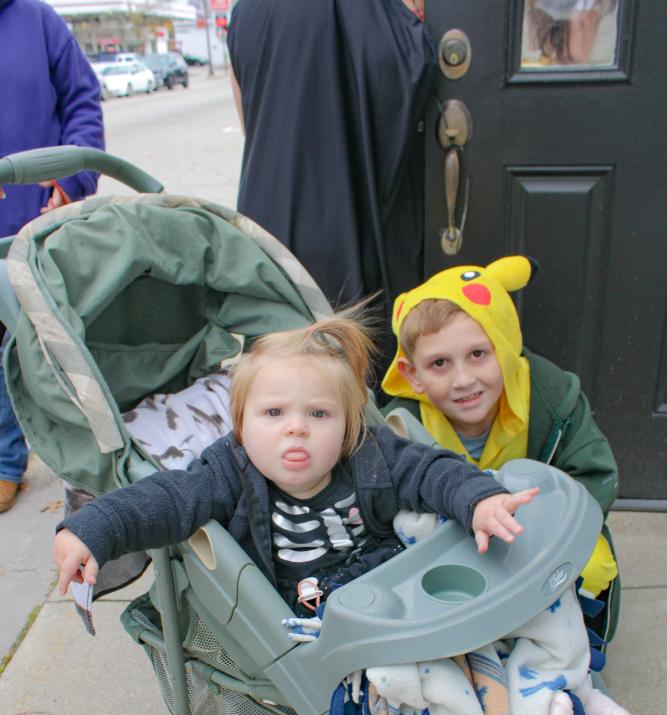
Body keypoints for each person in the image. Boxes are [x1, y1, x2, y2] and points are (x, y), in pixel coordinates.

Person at [52, 317, 538, 610]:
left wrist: (479, 499)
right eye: (273, 413)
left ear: (348, 423)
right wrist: (93, 528)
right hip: (312, 616)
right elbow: (165, 499)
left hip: (395, 588)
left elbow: (432, 470)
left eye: (319, 414)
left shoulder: (368, 454)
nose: (296, 427)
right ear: (240, 424)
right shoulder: (229, 471)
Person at [381, 255, 621, 639]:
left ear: (505, 348)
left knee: (590, 565)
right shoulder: (400, 425)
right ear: (414, 375)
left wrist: (545, 526)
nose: (463, 380)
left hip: (543, 529)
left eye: (478, 354)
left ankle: (570, 650)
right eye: (440, 363)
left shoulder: (551, 397)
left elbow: (593, 475)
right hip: (452, 539)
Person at [227, 0, 435, 379]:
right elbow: (407, 76)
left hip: (269, 218)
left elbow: (248, 121)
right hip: (344, 218)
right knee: (349, 370)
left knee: (282, 371)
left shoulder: (246, 11)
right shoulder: (375, 11)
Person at [0, 0, 105, 513]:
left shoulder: (36, 20)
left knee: (61, 343)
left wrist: (73, 178)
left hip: (41, 222)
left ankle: (94, 468)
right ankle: (3, 462)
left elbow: (83, 100)